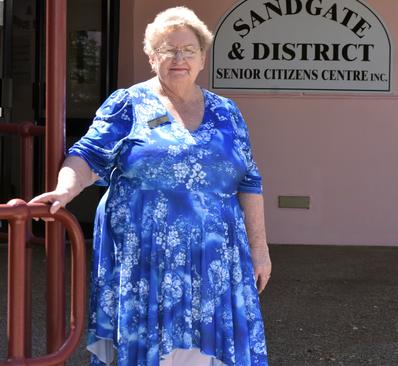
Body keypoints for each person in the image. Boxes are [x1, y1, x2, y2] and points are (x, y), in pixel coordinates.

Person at [30, 6, 271, 366]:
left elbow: (249, 179)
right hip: (146, 258)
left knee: (207, 351)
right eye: (167, 49)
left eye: (189, 50)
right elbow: (88, 156)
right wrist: (66, 190)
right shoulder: (128, 104)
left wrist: (260, 248)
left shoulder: (227, 112)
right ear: (151, 56)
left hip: (217, 259)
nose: (179, 58)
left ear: (203, 58)